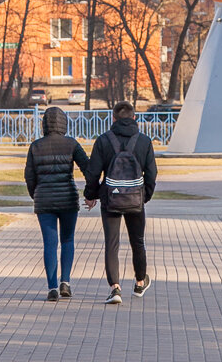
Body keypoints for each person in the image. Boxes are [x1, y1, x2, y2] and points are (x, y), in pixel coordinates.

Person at [84, 101, 158, 304]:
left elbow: (93, 172)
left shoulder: (103, 141)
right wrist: (144, 196)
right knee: (138, 241)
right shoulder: (144, 141)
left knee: (112, 244)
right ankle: (140, 282)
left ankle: (115, 288)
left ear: (113, 118)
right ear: (134, 118)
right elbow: (151, 175)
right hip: (136, 200)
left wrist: (91, 195)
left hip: (110, 200)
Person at [24, 106, 90, 302]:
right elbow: (88, 168)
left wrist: (36, 195)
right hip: (68, 199)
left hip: (44, 200)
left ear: (44, 123)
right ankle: (66, 282)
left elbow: (29, 177)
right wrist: (90, 192)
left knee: (49, 244)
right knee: (68, 240)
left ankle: (52, 287)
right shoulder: (71, 144)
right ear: (64, 123)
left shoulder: (35, 146)